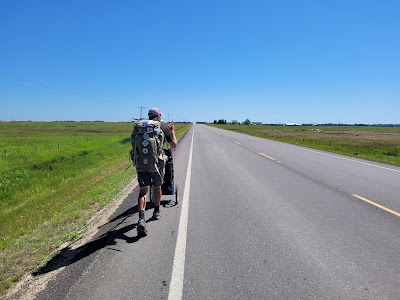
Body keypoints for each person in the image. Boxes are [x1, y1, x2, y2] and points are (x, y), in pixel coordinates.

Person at [136, 107, 177, 236]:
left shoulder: (140, 128)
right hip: (156, 164)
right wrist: (173, 132)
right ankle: (156, 211)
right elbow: (174, 144)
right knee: (157, 187)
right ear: (158, 116)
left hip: (141, 164)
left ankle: (141, 219)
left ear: (149, 116)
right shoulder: (162, 128)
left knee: (143, 191)